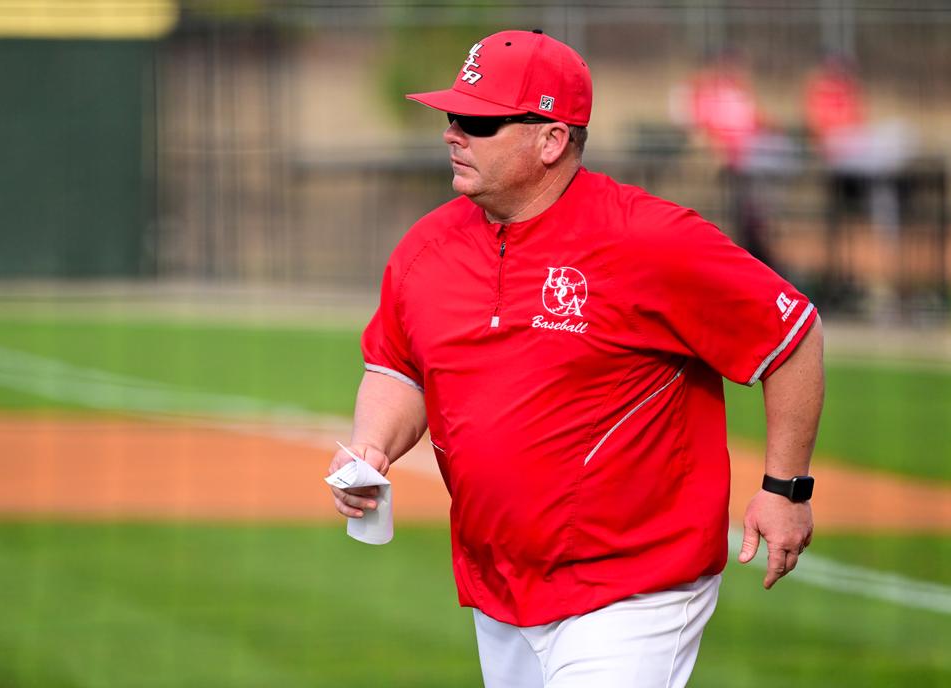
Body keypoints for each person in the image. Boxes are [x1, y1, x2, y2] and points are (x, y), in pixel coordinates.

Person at [328, 29, 824, 688]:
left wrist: (785, 488)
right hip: (500, 586)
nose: (453, 133)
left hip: (634, 583)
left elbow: (790, 336)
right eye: (451, 116)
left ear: (551, 139)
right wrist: (372, 447)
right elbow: (397, 367)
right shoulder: (427, 249)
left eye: (477, 121)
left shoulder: (649, 240)